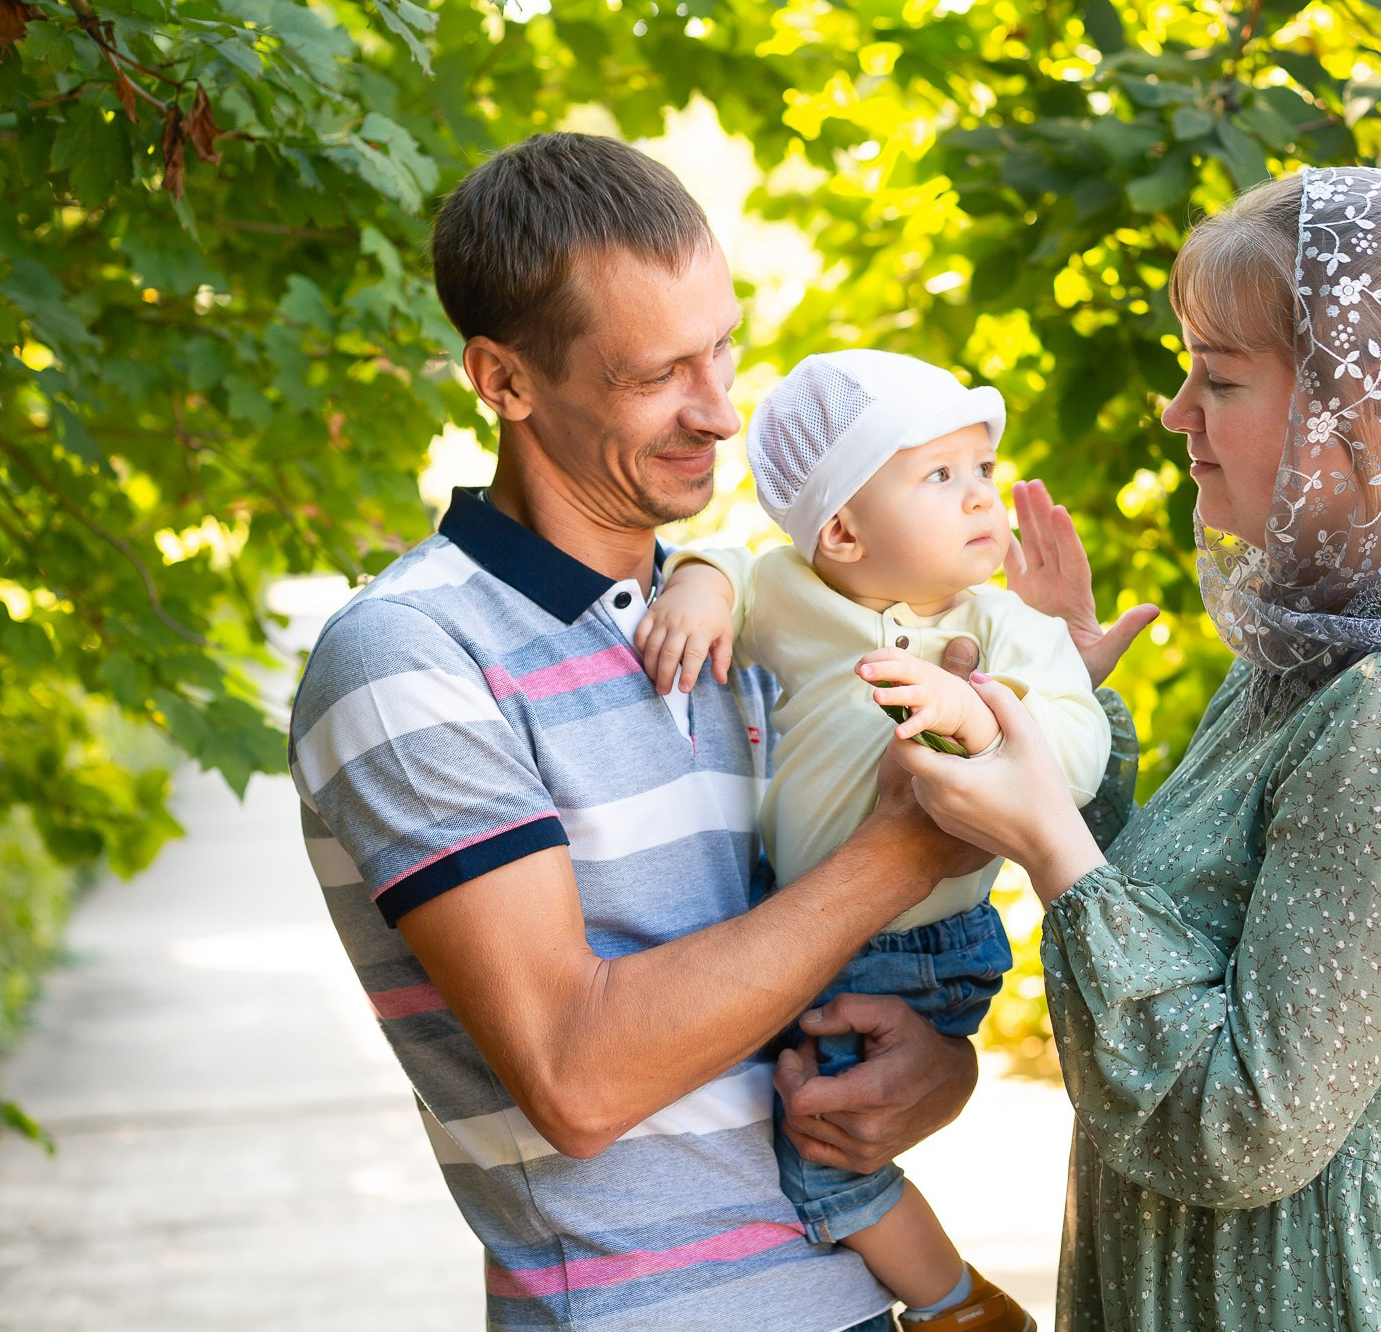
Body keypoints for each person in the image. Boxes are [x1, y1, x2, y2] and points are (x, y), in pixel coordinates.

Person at [287, 133, 1149, 1331]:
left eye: (723, 346)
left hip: (850, 1300)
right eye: (657, 374)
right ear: (503, 380)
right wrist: (906, 849)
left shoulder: (754, 621)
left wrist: (930, 1067)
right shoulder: (412, 656)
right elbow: (578, 1080)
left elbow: (799, 970)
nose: (722, 411)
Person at [886, 166, 1381, 1331]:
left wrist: (1046, 841)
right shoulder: (1330, 649)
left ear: (1370, 399)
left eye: (1219, 377)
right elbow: (1199, 931)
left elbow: (1236, 1125)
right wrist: (1056, 725)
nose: (1174, 409)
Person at [634, 349, 1113, 1329]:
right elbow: (733, 561)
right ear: (841, 528)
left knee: (821, 1154)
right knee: (779, 1114)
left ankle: (957, 1307)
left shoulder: (1009, 627)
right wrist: (697, 588)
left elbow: (1078, 747)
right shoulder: (788, 590)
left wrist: (981, 713)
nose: (981, 496)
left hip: (916, 946)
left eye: (981, 468)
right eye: (939, 476)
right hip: (799, 925)